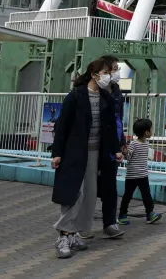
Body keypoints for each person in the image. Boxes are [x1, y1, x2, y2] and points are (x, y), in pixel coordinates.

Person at [50, 57, 125, 259]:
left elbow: (109, 128)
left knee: (90, 195)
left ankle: (74, 233)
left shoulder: (106, 97)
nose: (110, 76)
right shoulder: (76, 96)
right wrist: (57, 153)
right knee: (75, 193)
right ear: (94, 75)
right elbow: (62, 126)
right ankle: (63, 236)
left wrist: (116, 149)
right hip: (74, 152)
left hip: (95, 153)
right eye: (106, 72)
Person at [97, 56, 125, 237]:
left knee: (110, 186)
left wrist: (121, 142)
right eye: (113, 69)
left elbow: (119, 120)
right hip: (95, 145)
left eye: (116, 69)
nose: (115, 73)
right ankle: (81, 225)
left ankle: (110, 223)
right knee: (89, 186)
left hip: (112, 146)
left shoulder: (116, 90)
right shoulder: (90, 92)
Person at [118, 118, 163, 226]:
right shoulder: (134, 144)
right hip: (132, 176)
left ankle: (150, 214)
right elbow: (129, 157)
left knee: (146, 195)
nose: (152, 131)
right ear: (146, 132)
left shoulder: (146, 143)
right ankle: (122, 215)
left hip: (143, 175)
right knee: (127, 196)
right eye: (151, 129)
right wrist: (125, 152)